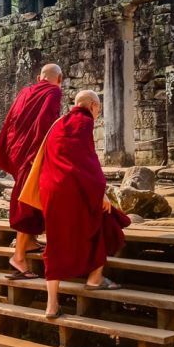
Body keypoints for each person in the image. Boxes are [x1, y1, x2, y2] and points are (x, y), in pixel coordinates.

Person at [36, 90, 129, 318]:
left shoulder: (58, 123)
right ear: (93, 106)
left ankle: (51, 304)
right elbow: (87, 160)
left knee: (56, 242)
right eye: (98, 109)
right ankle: (95, 278)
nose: (98, 113)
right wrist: (101, 192)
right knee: (105, 222)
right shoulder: (84, 122)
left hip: (51, 189)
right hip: (74, 189)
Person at [0, 64, 63, 280]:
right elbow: (46, 122)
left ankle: (29, 242)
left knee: (30, 195)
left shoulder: (25, 92)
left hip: (18, 149)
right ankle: (18, 256)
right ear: (59, 78)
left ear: (39, 77)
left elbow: (11, 119)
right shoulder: (54, 91)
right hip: (34, 151)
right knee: (28, 199)